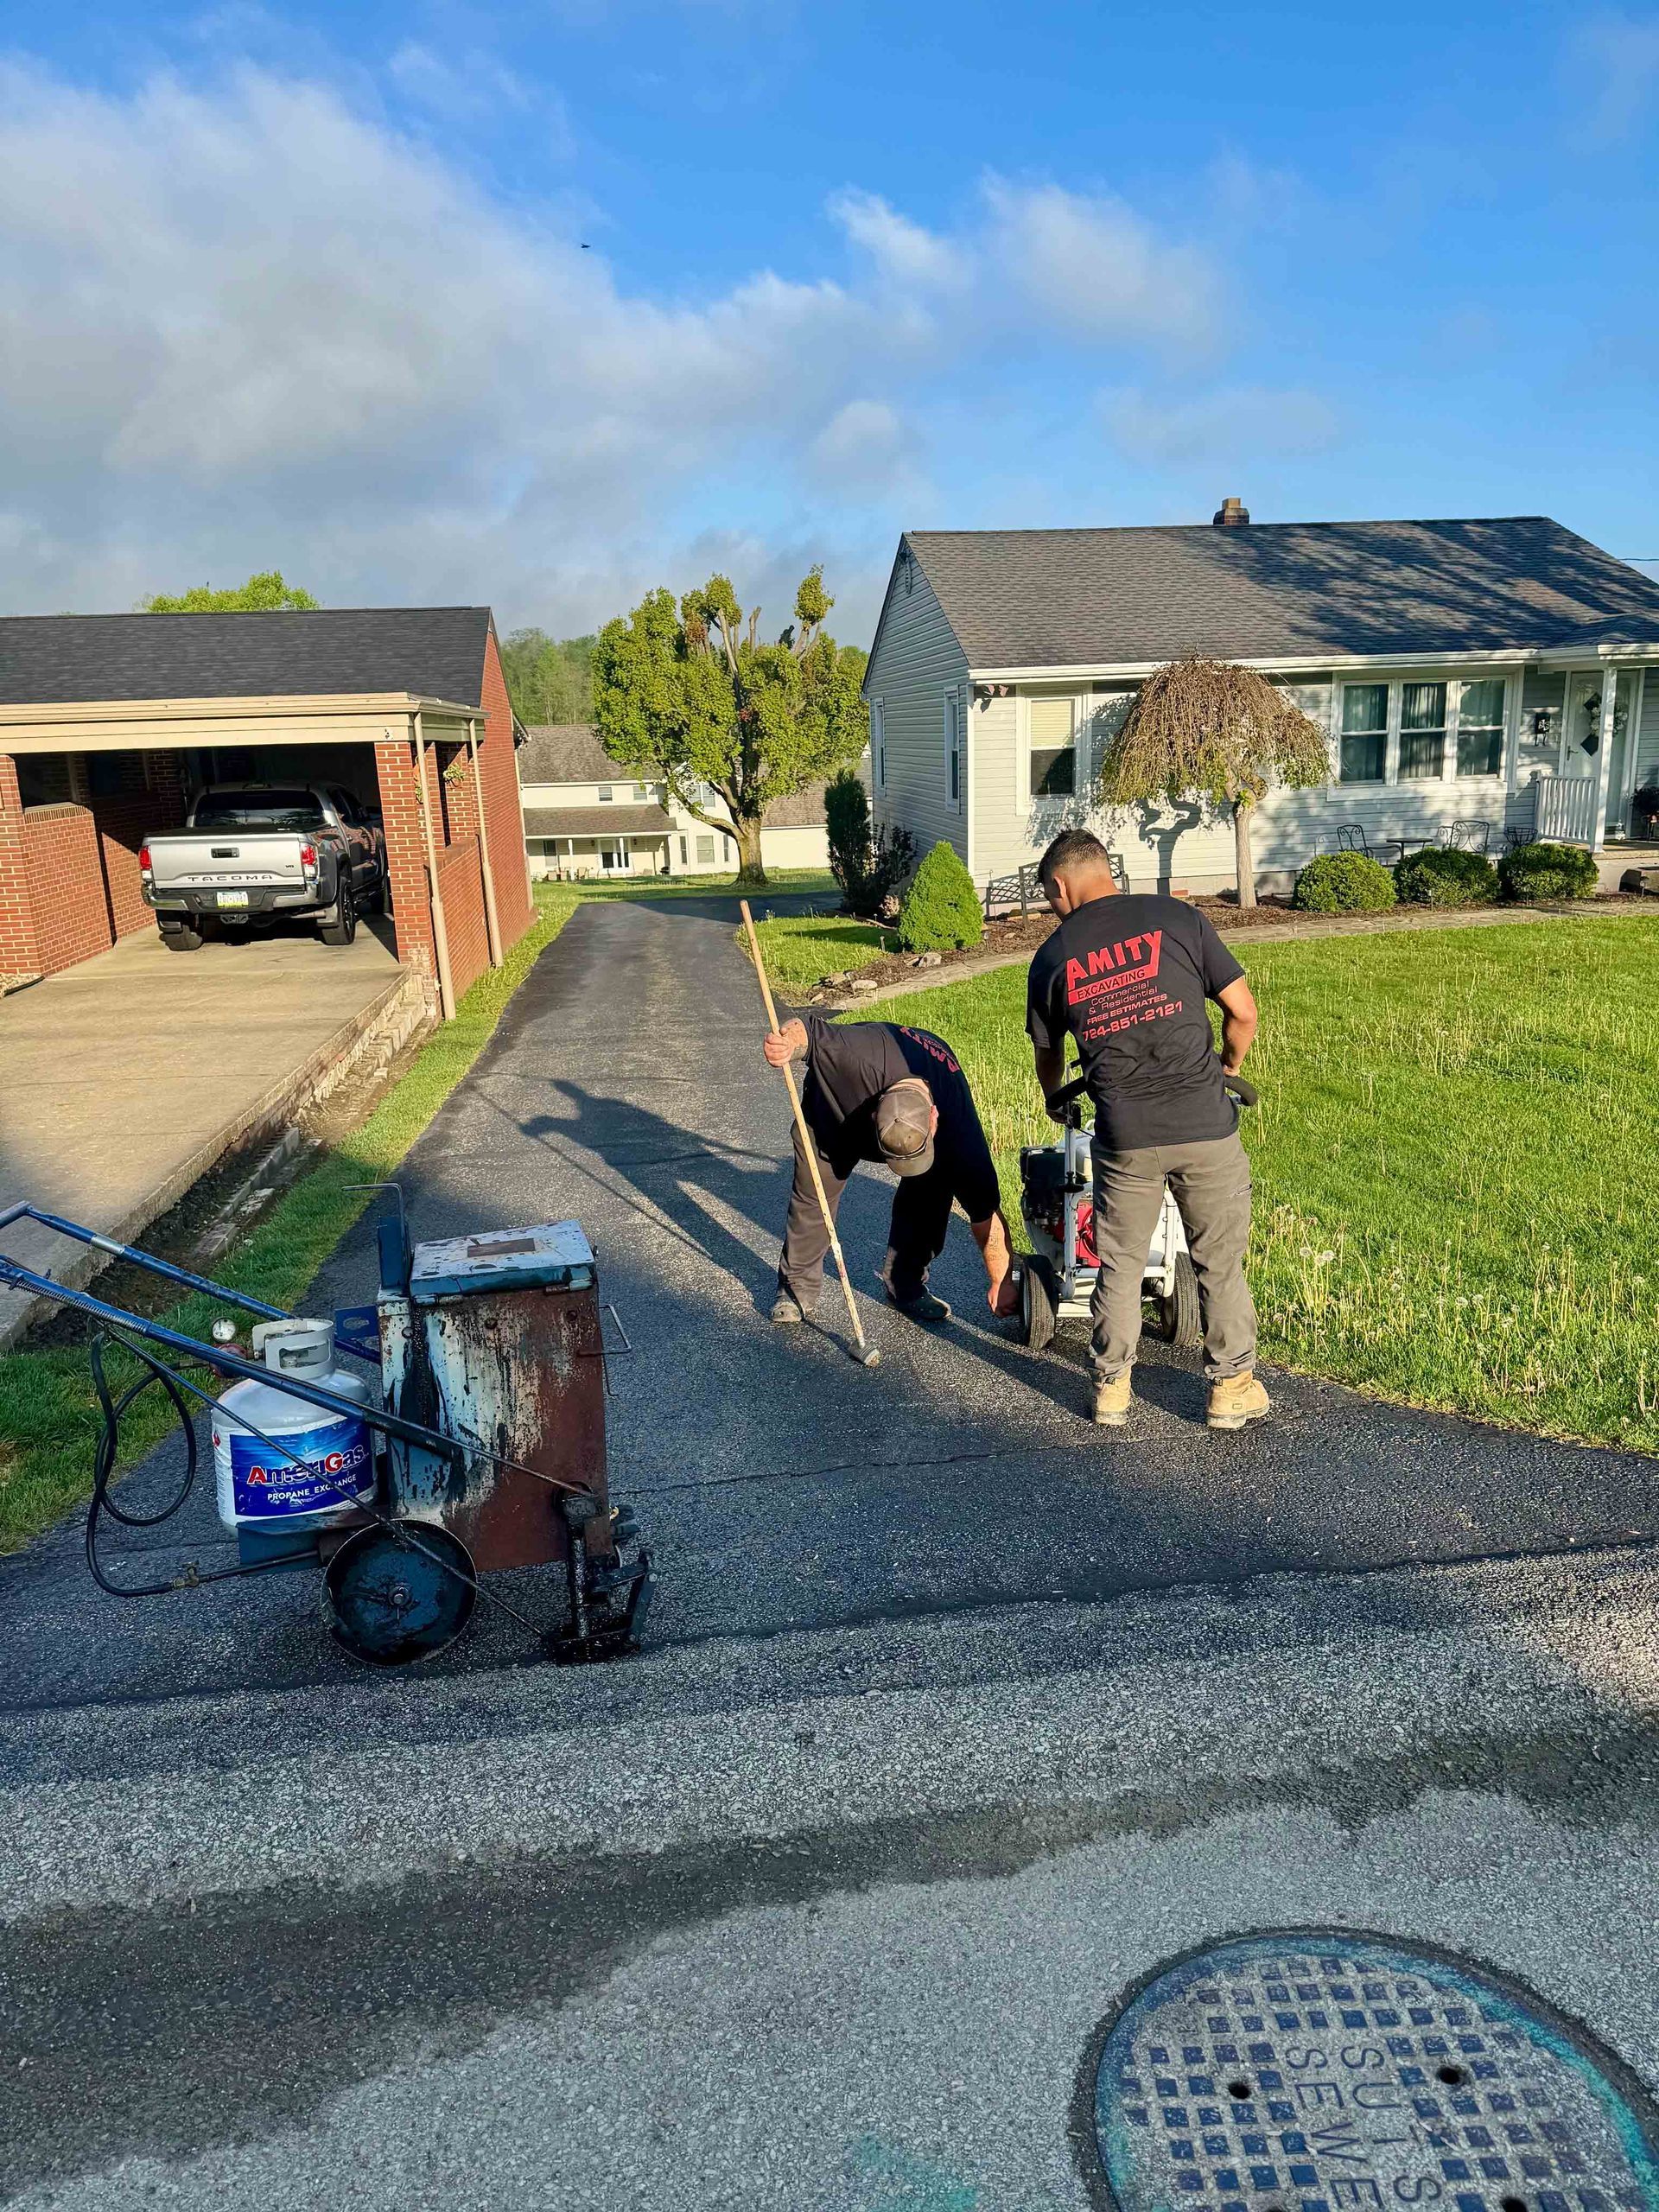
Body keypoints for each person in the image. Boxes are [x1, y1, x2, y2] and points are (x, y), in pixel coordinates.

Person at [1024, 828, 1268, 1433]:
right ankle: (1231, 1388)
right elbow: (1244, 1012)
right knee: (1218, 1262)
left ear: (1060, 885)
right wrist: (1227, 1068)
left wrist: (1056, 1098)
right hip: (1205, 1125)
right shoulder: (1178, 919)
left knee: (1120, 1263)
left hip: (1125, 1136)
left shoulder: (1052, 957)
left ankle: (1111, 1390)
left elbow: (1048, 1054)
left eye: (1051, 899)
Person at [763, 1014, 1019, 1328]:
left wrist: (1001, 1282)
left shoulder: (957, 1124)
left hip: (921, 1110)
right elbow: (806, 1030)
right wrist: (786, 1043)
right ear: (875, 1114)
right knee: (813, 1195)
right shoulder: (852, 1055)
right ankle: (794, 1291)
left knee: (933, 1185)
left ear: (934, 1116)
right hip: (832, 1116)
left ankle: (905, 1285)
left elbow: (985, 1212)